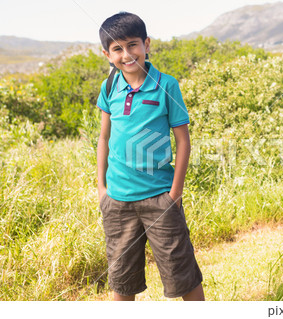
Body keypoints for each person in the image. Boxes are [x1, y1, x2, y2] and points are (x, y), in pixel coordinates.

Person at [96, 11, 204, 301]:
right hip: (117, 201)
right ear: (107, 54)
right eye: (117, 49)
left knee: (183, 276)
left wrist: (175, 193)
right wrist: (102, 189)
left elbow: (183, 141)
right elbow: (103, 138)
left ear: (146, 44)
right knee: (122, 282)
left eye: (132, 45)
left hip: (160, 198)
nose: (127, 54)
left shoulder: (166, 85)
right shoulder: (109, 88)